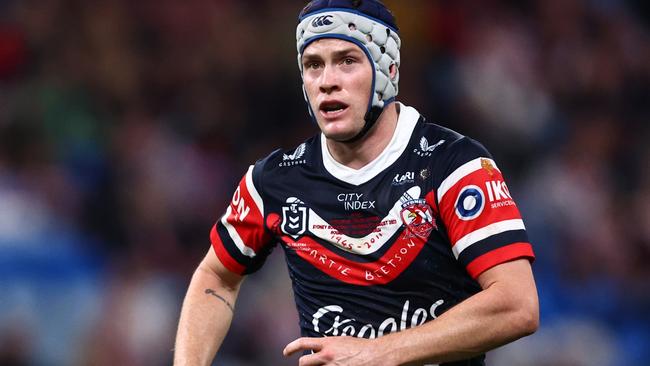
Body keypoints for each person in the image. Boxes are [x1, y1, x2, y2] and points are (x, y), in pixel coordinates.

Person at [174, 1, 539, 365]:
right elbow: (217, 277)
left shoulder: (454, 165)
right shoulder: (273, 181)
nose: (327, 81)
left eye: (347, 60)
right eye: (313, 64)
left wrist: (379, 352)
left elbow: (517, 305)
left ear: (388, 70)